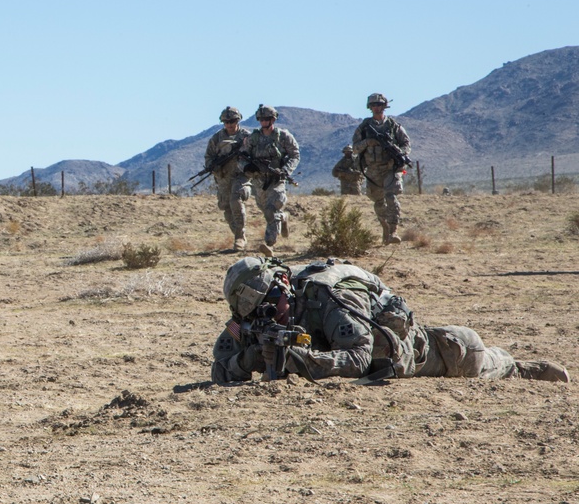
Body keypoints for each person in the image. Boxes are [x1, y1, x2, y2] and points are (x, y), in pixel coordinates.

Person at [210, 257, 570, 384]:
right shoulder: (256, 317)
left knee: (475, 360)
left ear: (283, 284)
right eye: (256, 313)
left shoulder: (330, 297)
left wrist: (299, 360)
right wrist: (248, 359)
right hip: (384, 358)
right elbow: (219, 366)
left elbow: (357, 359)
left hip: (431, 353)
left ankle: (522, 367)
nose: (267, 316)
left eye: (270, 306)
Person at [238, 105, 300, 258]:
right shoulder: (253, 138)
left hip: (276, 179)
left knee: (272, 210)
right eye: (261, 119)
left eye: (267, 119)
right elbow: (241, 157)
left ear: (273, 119)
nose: (264, 122)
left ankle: (269, 244)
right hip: (259, 180)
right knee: (266, 210)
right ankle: (283, 217)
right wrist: (247, 167)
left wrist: (285, 170)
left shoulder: (283, 136)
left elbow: (295, 155)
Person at [352, 93, 411, 244]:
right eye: (374, 105)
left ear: (384, 106)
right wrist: (368, 142)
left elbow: (406, 143)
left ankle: (393, 231)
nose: (377, 108)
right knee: (378, 202)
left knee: (392, 198)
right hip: (372, 170)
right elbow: (355, 148)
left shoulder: (393, 126)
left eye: (379, 105)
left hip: (390, 169)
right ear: (370, 107)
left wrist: (400, 153)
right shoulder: (364, 127)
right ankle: (385, 227)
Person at [204, 106, 251, 251]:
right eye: (226, 121)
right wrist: (214, 166)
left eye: (233, 121)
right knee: (226, 208)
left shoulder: (246, 137)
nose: (230, 124)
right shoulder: (217, 138)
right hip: (224, 176)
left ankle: (239, 237)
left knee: (235, 200)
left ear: (238, 121)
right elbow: (209, 157)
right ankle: (239, 234)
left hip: (241, 175)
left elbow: (254, 155)